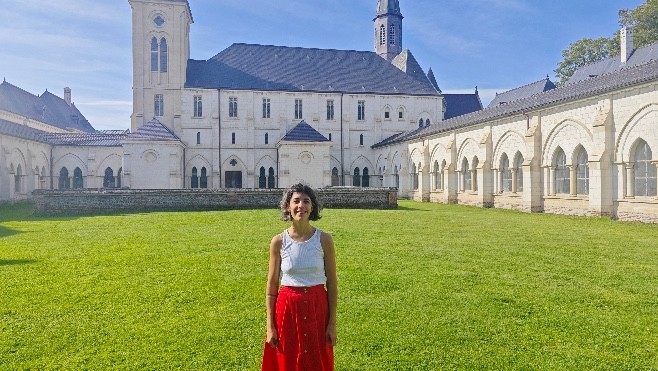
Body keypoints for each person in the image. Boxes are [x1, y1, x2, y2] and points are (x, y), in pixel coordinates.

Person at [261, 183, 337, 371]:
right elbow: (271, 288)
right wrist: (270, 327)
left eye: (306, 201)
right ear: (288, 206)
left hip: (317, 307)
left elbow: (332, 283)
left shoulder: (324, 240)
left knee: (317, 359)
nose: (300, 206)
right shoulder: (278, 241)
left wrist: (332, 323)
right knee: (287, 359)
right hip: (287, 308)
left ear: (312, 207)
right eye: (296, 201)